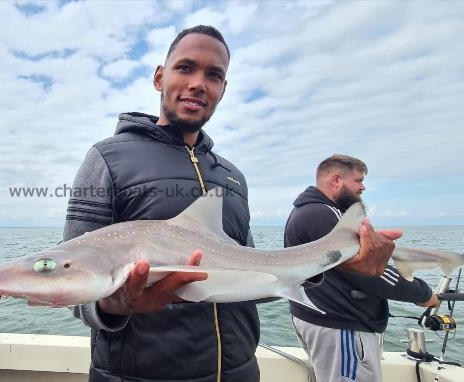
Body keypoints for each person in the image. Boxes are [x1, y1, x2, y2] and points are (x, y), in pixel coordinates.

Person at [63, 26, 397, 382]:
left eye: (214, 75)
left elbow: (252, 279)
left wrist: (334, 266)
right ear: (160, 78)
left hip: (238, 371)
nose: (198, 83)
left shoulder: (231, 177)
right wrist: (110, 307)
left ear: (223, 89)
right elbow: (72, 277)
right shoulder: (107, 159)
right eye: (185, 68)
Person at [284, 154, 439, 382]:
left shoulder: (306, 211)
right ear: (337, 180)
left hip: (319, 318)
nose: (363, 187)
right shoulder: (327, 216)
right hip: (340, 324)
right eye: (358, 180)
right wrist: (424, 294)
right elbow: (371, 271)